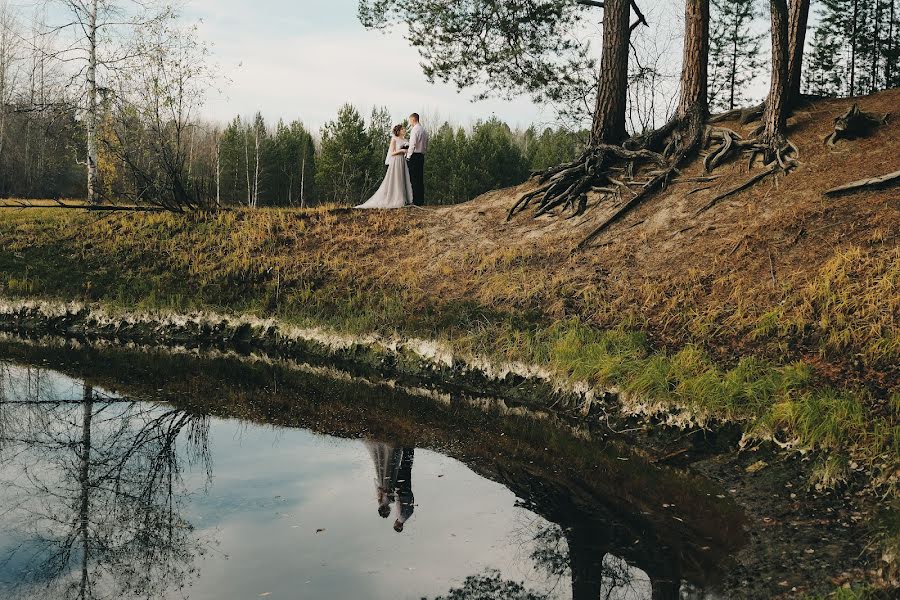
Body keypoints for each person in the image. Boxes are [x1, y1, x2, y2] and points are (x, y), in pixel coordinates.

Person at [356, 124, 413, 209]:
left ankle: (404, 198)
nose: (404, 130)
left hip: (402, 160)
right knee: (396, 179)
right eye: (402, 129)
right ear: (398, 131)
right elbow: (392, 153)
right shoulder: (394, 139)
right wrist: (401, 150)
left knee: (402, 178)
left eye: (403, 129)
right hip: (396, 160)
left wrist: (406, 151)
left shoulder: (405, 140)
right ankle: (396, 198)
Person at [406, 113, 429, 206]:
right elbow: (426, 143)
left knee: (414, 179)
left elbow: (412, 144)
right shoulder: (424, 130)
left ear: (413, 119)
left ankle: (415, 201)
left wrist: (408, 156)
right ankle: (420, 200)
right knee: (420, 178)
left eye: (410, 120)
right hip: (421, 156)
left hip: (414, 156)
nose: (410, 122)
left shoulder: (415, 130)